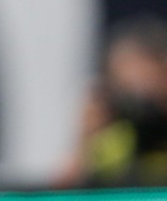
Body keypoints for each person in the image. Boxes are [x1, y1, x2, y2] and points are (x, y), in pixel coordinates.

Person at [58, 15, 167, 188]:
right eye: (128, 90)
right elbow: (62, 198)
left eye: (147, 90)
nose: (141, 106)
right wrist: (83, 142)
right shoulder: (110, 141)